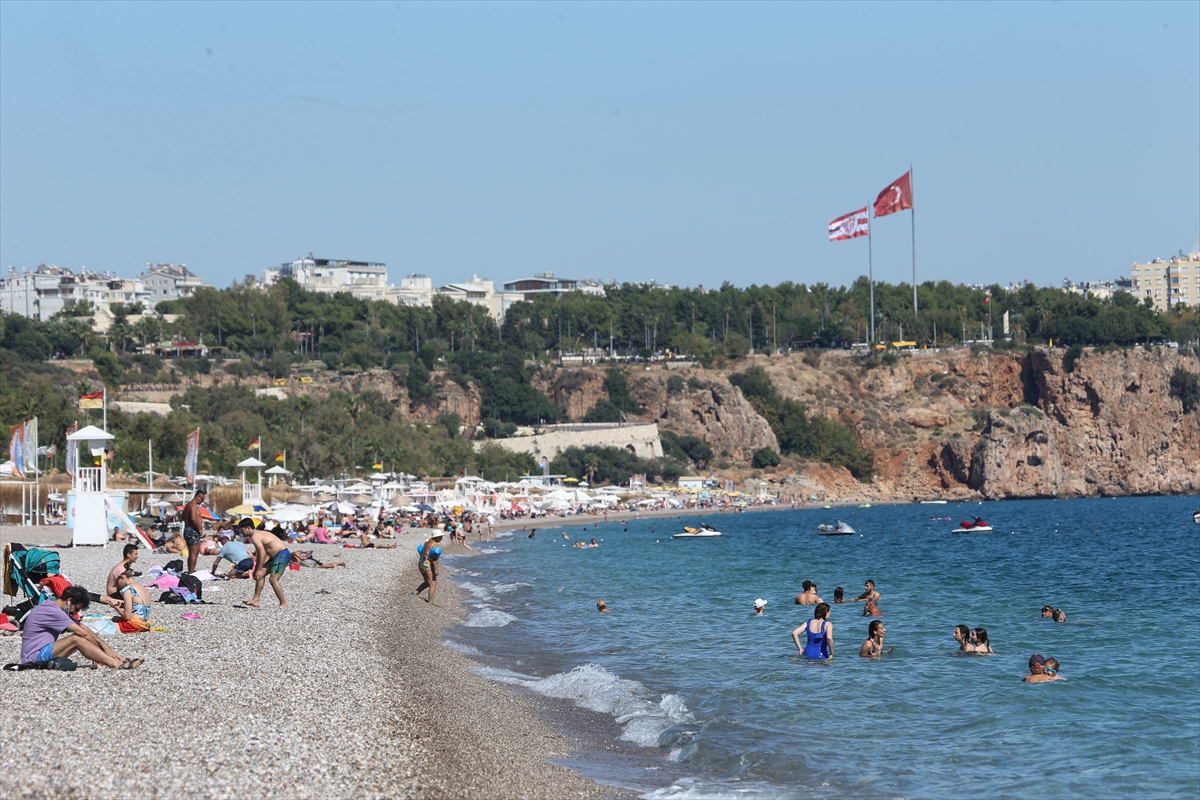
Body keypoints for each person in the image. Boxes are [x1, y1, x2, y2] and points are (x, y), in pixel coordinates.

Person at [20, 586, 141, 669]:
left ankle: (111, 659)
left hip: (42, 653)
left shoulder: (54, 608)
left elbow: (81, 627)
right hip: (34, 657)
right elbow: (83, 634)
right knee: (76, 639)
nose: (75, 612)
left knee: (79, 635)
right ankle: (115, 663)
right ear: (69, 601)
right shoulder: (52, 611)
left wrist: (107, 648)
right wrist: (105, 651)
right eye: (76, 608)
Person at [246, 521, 290, 608]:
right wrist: (257, 570)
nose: (241, 532)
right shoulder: (257, 535)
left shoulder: (255, 536)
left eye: (242, 529)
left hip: (282, 555)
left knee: (273, 579)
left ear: (248, 528)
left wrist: (258, 569)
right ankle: (255, 600)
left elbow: (262, 553)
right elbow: (260, 554)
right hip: (274, 557)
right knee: (260, 575)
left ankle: (283, 603)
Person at [181, 489, 207, 575]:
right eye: (202, 499)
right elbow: (193, 518)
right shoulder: (193, 505)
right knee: (194, 552)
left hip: (188, 529)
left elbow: (181, 517)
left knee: (192, 552)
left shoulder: (187, 505)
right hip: (192, 530)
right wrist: (199, 528)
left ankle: (190, 570)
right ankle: (191, 572)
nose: (202, 501)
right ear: (198, 497)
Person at [413, 532, 444, 604]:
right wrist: (436, 568)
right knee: (433, 583)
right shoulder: (435, 544)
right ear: (436, 537)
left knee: (428, 582)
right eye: (440, 537)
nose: (442, 538)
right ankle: (430, 602)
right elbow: (434, 558)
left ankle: (415, 593)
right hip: (428, 564)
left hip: (421, 563)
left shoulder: (426, 542)